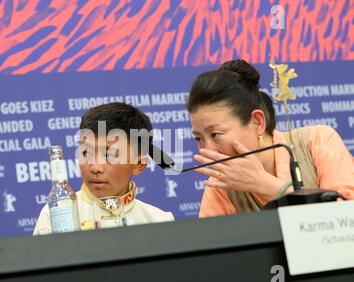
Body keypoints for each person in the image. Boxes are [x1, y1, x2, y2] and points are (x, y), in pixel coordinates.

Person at [186, 59, 354, 217]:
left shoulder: (316, 140)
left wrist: (263, 184)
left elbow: (345, 219)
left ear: (257, 122)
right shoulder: (221, 186)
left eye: (216, 135)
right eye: (199, 138)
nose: (207, 151)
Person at [34, 102, 174, 234]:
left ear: (139, 164)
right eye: (86, 153)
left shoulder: (159, 221)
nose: (95, 167)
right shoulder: (56, 216)